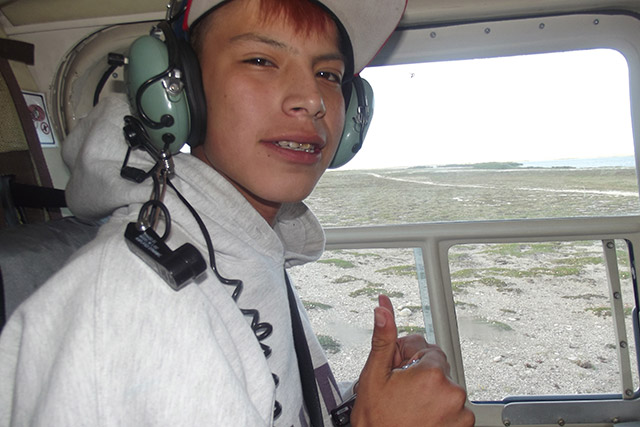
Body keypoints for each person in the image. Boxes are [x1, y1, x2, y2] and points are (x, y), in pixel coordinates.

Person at [0, 0, 475, 426]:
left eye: (327, 75)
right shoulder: (129, 314)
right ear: (180, 93)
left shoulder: (249, 247)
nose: (311, 99)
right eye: (261, 60)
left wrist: (368, 407)